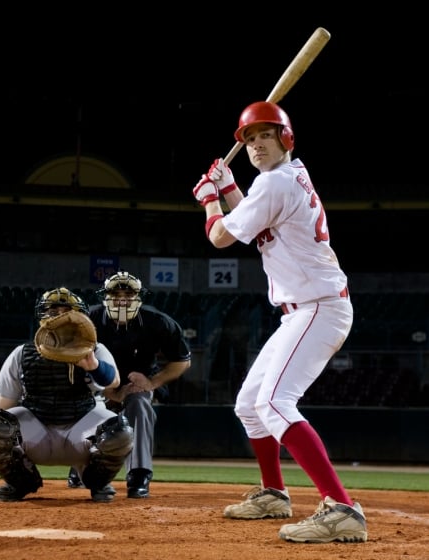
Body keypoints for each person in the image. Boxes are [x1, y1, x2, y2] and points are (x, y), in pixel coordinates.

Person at [192, 101, 367, 543]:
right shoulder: (282, 181)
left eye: (264, 136)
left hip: (318, 307)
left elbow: (220, 236)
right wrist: (230, 189)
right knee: (249, 406)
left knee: (273, 403)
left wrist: (210, 199)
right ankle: (274, 493)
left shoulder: (274, 183)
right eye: (249, 139)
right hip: (305, 310)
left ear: (285, 138)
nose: (254, 146)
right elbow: (258, 227)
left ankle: (341, 507)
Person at [0, 287, 134, 503]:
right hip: (38, 432)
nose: (59, 316)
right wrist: (5, 441)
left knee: (120, 430)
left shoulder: (93, 349)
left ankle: (96, 481)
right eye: (53, 311)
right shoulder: (22, 353)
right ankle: (21, 482)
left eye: (66, 311)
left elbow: (113, 381)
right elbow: (3, 408)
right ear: (42, 316)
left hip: (81, 430)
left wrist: (93, 365)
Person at [67, 271, 191, 498]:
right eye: (116, 293)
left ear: (138, 296)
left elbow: (182, 361)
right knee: (80, 402)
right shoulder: (88, 320)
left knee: (140, 404)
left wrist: (153, 382)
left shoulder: (157, 322)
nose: (122, 299)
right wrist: (108, 390)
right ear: (105, 296)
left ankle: (139, 474)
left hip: (137, 383)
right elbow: (72, 360)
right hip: (95, 382)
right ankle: (83, 463)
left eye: (128, 293)